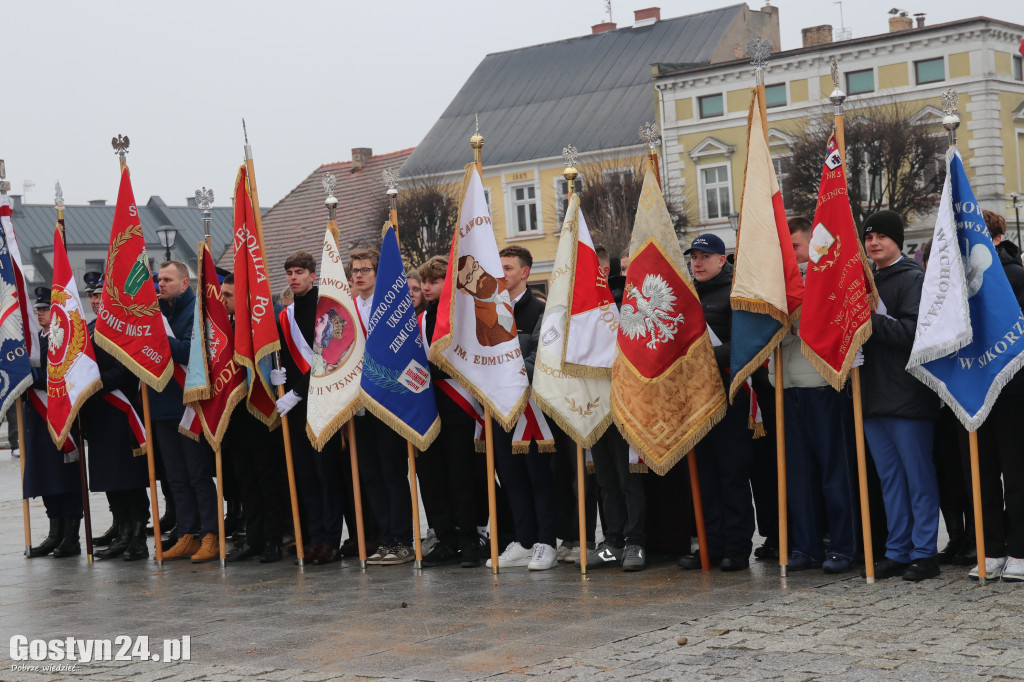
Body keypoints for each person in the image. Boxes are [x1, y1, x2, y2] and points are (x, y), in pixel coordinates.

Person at [768, 218, 858, 573]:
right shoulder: (777, 283)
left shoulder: (821, 278)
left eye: (795, 247)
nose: (790, 255)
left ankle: (843, 545)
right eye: (785, 249)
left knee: (834, 471)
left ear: (811, 246)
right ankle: (806, 546)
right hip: (786, 389)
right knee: (798, 475)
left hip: (821, 385)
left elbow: (824, 321)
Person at [860, 210, 941, 582]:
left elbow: (912, 333)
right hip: (872, 396)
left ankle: (925, 552)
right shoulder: (864, 282)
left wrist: (868, 318)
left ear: (898, 240)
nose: (873, 242)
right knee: (890, 479)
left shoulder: (914, 279)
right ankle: (897, 549)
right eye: (869, 237)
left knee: (917, 477)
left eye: (881, 236)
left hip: (908, 396)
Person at [677, 234, 755, 572]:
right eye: (694, 256)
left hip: (728, 396)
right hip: (693, 399)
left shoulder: (734, 295)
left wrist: (699, 356)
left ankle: (737, 547)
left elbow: (742, 347)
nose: (697, 262)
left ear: (722, 260)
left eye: (705, 256)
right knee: (703, 476)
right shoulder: (685, 295)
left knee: (731, 474)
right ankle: (709, 544)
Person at [957, 210, 1024, 581]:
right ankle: (992, 549)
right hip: (974, 391)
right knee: (980, 475)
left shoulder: (1015, 276)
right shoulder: (958, 284)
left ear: (996, 239)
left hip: (1013, 392)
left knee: (1015, 474)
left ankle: (1019, 551)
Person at [272, 251, 347, 565]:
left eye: (299, 272)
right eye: (289, 272)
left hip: (322, 401)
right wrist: (276, 376)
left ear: (313, 275)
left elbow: (328, 358)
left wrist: (297, 392)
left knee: (326, 475)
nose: (293, 277)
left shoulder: (326, 309)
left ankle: (330, 540)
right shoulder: (284, 316)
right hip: (295, 407)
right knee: (305, 476)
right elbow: (284, 358)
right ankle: (313, 537)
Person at [487, 245, 559, 571]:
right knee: (511, 476)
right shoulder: (489, 313)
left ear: (525, 273)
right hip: (500, 406)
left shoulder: (540, 311)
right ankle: (524, 539)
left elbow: (542, 357)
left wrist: (509, 378)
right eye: (498, 268)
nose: (501, 274)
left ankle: (546, 542)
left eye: (508, 268)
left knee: (538, 476)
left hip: (530, 407)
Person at [416, 255, 488, 568]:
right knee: (432, 478)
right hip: (428, 409)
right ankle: (446, 538)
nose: (427, 287)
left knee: (462, 477)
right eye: (424, 282)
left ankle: (470, 539)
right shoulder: (419, 321)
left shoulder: (463, 317)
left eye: (434, 281)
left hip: (459, 407)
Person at [347, 248, 415, 566]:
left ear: (378, 273)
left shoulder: (389, 306)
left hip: (386, 400)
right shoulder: (346, 307)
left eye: (366, 269)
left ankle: (402, 539)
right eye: (355, 270)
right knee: (371, 475)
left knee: (392, 475)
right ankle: (384, 538)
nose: (359, 275)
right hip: (357, 404)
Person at [581, 246, 646, 571]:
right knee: (605, 478)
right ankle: (613, 539)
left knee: (628, 478)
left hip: (628, 401)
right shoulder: (581, 307)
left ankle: (635, 542)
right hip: (595, 402)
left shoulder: (627, 300)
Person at [80, 272, 151, 561]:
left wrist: (94, 384)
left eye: (100, 295)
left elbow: (125, 370)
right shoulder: (90, 328)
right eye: (92, 296)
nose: (96, 301)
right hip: (99, 414)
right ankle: (122, 533)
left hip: (122, 412)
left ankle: (137, 538)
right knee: (109, 478)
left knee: (128, 478)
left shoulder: (126, 327)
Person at [155, 262, 221, 563]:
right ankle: (187, 534)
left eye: (167, 279)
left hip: (188, 406)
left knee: (197, 475)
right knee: (175, 477)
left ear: (184, 283)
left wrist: (154, 337)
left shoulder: (196, 310)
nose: (161, 284)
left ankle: (211, 534)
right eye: (159, 279)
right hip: (161, 404)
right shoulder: (156, 313)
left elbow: (188, 351)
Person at [220, 274, 288, 564]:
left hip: (261, 412)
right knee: (245, 482)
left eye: (228, 296)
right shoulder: (223, 326)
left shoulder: (266, 324)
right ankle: (254, 538)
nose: (221, 300)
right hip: (235, 416)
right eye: (221, 294)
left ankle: (273, 539)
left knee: (268, 480)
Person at [23, 287, 84, 558]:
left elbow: (58, 376)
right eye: (38, 309)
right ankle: (54, 533)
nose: (40, 313)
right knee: (46, 475)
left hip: (61, 418)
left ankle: (71, 536)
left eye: (45, 309)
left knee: (65, 478)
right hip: (38, 419)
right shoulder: (35, 341)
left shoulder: (66, 341)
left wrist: (25, 375)